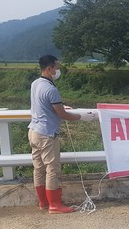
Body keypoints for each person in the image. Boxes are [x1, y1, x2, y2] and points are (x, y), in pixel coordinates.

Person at [29, 54, 96, 213]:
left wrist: (60, 106)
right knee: (52, 169)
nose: (58, 70)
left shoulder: (35, 84)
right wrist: (82, 117)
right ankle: (55, 205)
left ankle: (44, 203)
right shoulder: (51, 89)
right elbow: (62, 115)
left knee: (38, 169)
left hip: (33, 131)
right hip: (47, 134)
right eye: (57, 67)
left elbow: (45, 104)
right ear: (49, 68)